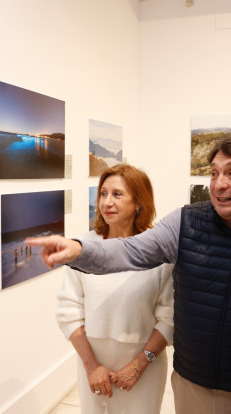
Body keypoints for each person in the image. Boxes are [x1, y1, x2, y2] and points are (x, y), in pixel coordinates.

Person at [28, 135, 231, 414]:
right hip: (194, 384)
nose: (219, 183)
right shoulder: (186, 223)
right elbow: (129, 251)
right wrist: (79, 250)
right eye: (214, 173)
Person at [56, 164, 174, 413]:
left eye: (117, 194)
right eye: (103, 193)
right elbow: (69, 311)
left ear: (139, 203)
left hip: (145, 366)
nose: (107, 202)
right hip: (93, 364)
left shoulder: (159, 252)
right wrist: (91, 365)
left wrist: (139, 366)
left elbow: (169, 318)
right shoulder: (84, 247)